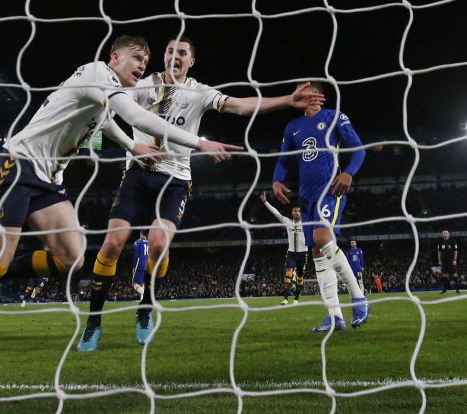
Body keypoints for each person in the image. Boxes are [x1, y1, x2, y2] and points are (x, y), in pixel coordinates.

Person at [0, 35, 240, 372]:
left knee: (72, 257)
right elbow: (135, 118)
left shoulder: (106, 92)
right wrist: (199, 142)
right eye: (137, 59)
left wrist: (132, 147)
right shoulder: (97, 74)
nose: (142, 66)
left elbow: (109, 126)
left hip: (48, 181)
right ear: (115, 58)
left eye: (146, 62)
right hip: (19, 165)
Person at [78, 35, 326, 351]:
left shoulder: (198, 93)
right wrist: (129, 145)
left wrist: (286, 101)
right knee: (112, 242)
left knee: (157, 243)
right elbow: (107, 110)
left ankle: (145, 309)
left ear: (190, 61)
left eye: (181, 52)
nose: (174, 56)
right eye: (169, 51)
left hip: (175, 181)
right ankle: (93, 324)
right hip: (138, 176)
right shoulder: (141, 85)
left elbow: (238, 106)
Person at [272, 81, 368, 332]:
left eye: (304, 91)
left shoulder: (335, 117)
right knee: (316, 251)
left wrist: (348, 173)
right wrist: (276, 181)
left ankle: (358, 298)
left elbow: (358, 150)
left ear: (317, 96)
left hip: (331, 190)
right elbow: (283, 159)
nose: (298, 96)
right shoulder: (293, 127)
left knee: (322, 237)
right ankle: (335, 316)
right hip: (306, 198)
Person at [259, 191, 308, 305]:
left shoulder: (306, 222)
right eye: (295, 211)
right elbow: (275, 212)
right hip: (291, 253)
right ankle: (286, 298)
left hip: (303, 253)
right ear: (291, 212)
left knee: (300, 277)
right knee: (288, 274)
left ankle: (296, 298)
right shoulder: (287, 221)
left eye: (298, 211)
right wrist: (265, 202)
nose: (296, 212)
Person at [130, 231, 149, 298]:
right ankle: (142, 299)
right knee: (143, 282)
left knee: (134, 283)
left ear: (140, 234)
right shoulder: (149, 242)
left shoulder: (137, 242)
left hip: (140, 263)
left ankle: (146, 295)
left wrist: (133, 267)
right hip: (147, 264)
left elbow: (136, 255)